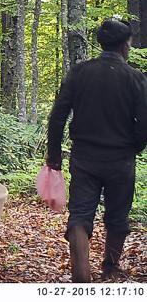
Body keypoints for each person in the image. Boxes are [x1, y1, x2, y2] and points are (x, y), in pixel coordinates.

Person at [47, 19, 147, 283]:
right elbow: (144, 121)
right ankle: (111, 267)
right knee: (117, 216)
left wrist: (54, 153)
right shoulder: (135, 78)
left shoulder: (80, 72)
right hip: (121, 160)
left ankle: (81, 276)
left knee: (80, 214)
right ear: (126, 45)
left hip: (84, 158)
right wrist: (136, 146)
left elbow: (58, 115)